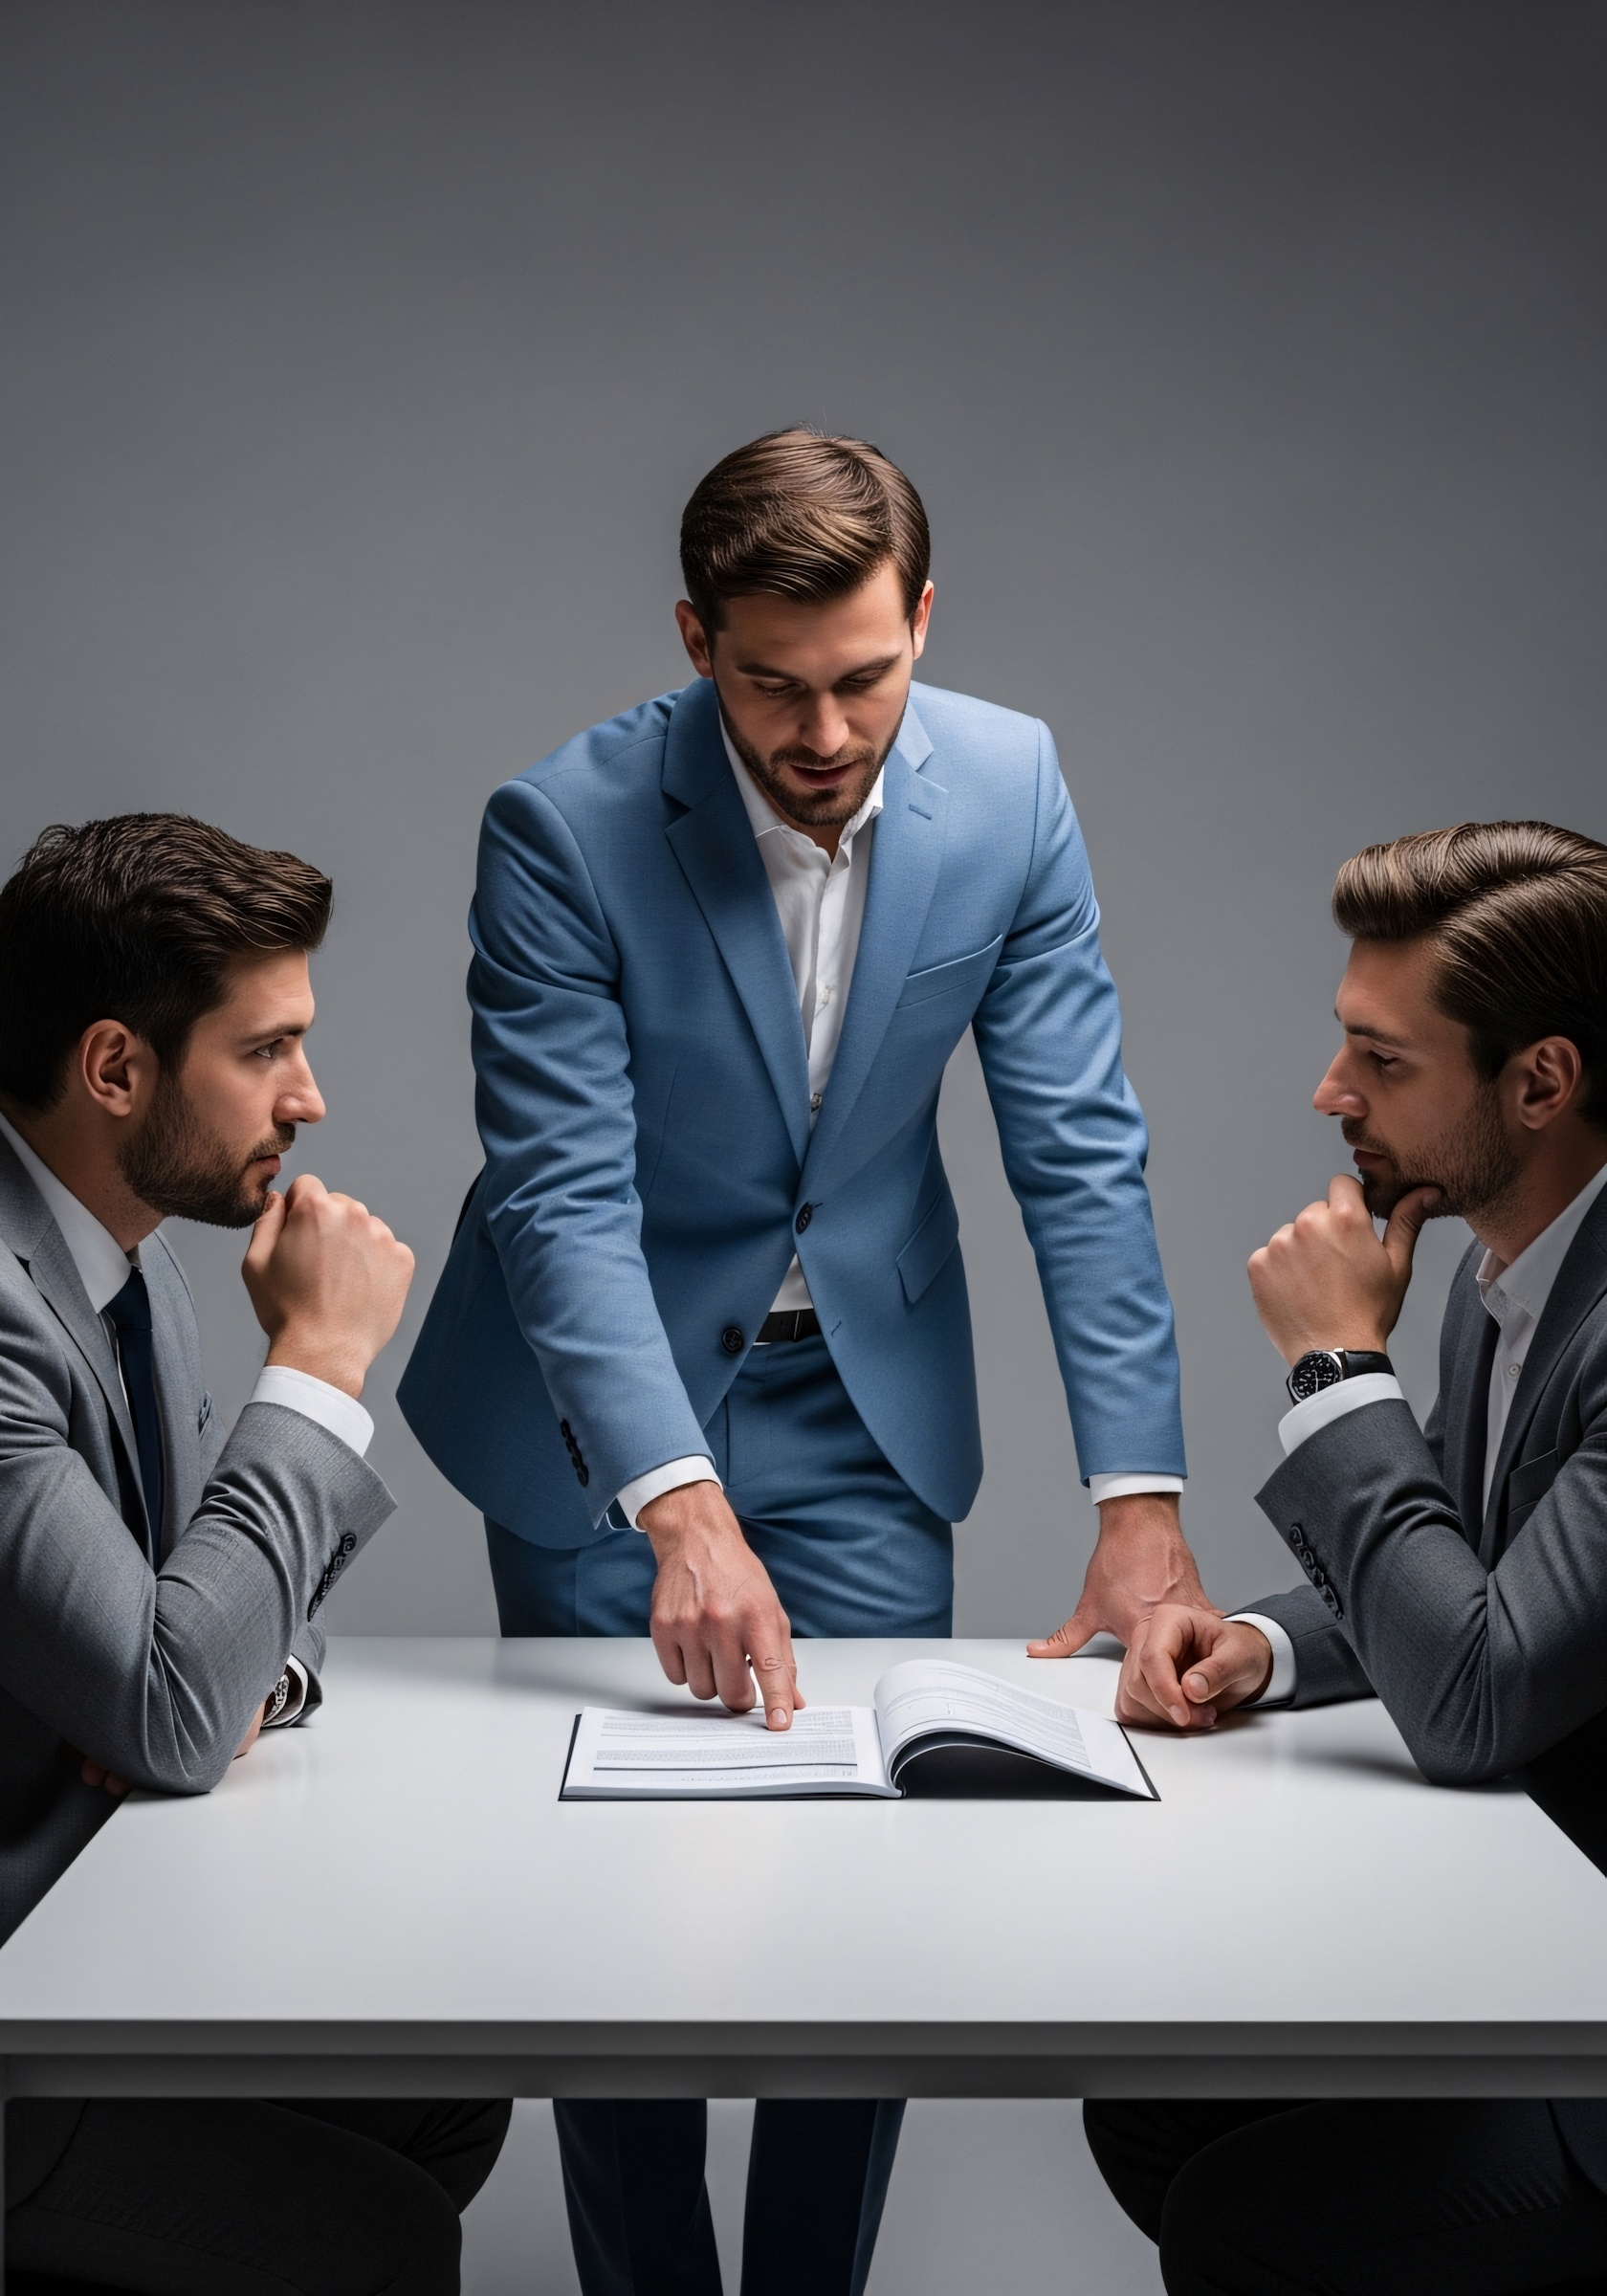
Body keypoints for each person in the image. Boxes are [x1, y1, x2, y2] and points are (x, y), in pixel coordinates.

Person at [400, 430, 1204, 2296]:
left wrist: (1140, 1504)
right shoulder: (564, 828)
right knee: (626, 1905)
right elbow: (562, 1201)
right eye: (774, 684)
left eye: (866, 675)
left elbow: (1075, 1145)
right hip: (601, 1406)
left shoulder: (1011, 789)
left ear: (924, 620)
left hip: (864, 1397)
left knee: (867, 1887)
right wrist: (674, 1505)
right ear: (699, 639)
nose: (827, 728)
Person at [1088, 819, 1607, 2294]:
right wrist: (1267, 1647)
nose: (1331, 1094)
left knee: (1250, 2216)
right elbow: (1473, 1548)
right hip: (1538, 1936)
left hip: (1592, 2040)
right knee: (1148, 2111)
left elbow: (1482, 1692)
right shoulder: (1506, 1269)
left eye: (1384, 1063)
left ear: (1541, 1080)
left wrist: (1331, 1368)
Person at [0, 813, 509, 2296]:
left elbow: (216, 1626)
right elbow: (167, 1699)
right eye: (267, 1050)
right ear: (116, 1069)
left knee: (442, 2092)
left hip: (96, 1920)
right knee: (382, 2239)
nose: (313, 1097)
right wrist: (322, 1364)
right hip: (26, 1973)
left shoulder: (131, 1262)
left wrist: (237, 1679)